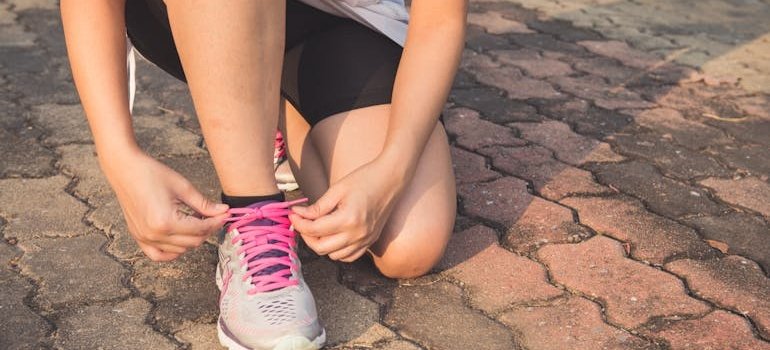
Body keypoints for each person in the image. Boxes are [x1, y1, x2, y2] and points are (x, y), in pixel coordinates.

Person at [61, 0, 466, 348]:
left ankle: (267, 106)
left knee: (407, 244)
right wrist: (118, 155)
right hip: (204, 14)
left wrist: (391, 170)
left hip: (346, 21)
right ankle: (253, 212)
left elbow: (441, 19)